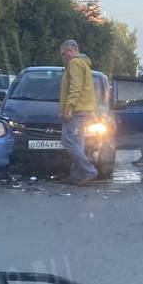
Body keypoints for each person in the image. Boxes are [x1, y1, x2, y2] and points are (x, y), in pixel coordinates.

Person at [58, 39, 98, 185]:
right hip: (84, 108)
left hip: (77, 109)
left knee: (67, 141)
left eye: (64, 54)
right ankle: (77, 175)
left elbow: (75, 88)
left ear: (70, 50)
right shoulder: (83, 63)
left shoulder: (74, 63)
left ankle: (88, 170)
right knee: (77, 142)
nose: (63, 57)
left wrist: (68, 107)